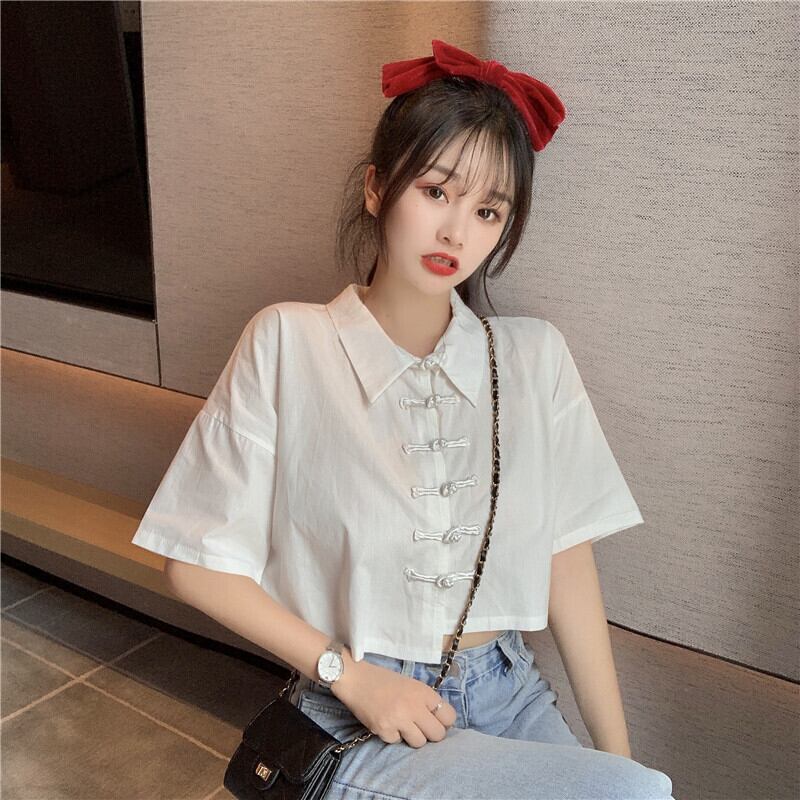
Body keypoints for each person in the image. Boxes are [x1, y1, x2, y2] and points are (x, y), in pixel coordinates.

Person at [131, 39, 674, 800]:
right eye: (437, 191)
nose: (457, 232)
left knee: (636, 790)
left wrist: (621, 765)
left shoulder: (535, 358)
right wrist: (350, 677)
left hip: (510, 693)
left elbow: (567, 561)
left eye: (488, 211)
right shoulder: (288, 342)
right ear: (378, 189)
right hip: (357, 712)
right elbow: (194, 563)